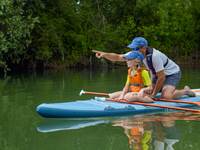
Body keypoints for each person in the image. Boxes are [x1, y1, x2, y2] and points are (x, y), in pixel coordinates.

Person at [92, 37, 195, 99]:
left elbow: (162, 77)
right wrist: (104, 54)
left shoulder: (155, 56)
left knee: (166, 96)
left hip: (172, 73)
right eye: (133, 48)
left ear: (144, 48)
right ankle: (163, 90)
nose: (134, 50)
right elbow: (118, 57)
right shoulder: (135, 54)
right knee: (150, 91)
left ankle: (185, 91)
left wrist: (154, 94)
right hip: (156, 74)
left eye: (136, 48)